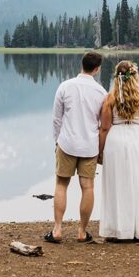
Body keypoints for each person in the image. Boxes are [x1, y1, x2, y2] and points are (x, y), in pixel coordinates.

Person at [97, 60, 139, 241]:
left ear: (116, 77)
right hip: (138, 141)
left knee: (116, 184)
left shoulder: (110, 98)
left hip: (115, 142)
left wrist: (100, 152)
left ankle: (118, 230)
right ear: (135, 76)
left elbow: (104, 128)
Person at [47, 51, 107, 243]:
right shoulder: (101, 92)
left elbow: (57, 119)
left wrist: (57, 141)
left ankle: (57, 230)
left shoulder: (65, 86)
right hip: (89, 146)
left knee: (61, 184)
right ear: (97, 69)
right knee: (87, 187)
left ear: (82, 64)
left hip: (67, 143)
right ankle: (82, 232)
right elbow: (103, 123)